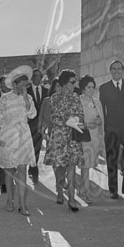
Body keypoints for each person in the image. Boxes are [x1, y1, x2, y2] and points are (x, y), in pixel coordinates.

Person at [0, 66, 36, 216]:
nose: (23, 88)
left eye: (25, 85)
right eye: (21, 85)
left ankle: (22, 204)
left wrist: (26, 98)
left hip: (23, 136)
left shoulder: (28, 98)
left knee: (22, 169)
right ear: (14, 84)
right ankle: (10, 200)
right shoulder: (5, 98)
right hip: (8, 135)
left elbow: (32, 115)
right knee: (9, 170)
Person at [44, 69, 84, 212]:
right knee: (59, 168)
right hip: (59, 136)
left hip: (72, 136)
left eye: (75, 81)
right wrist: (69, 120)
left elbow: (80, 115)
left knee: (72, 167)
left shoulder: (76, 97)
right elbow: (55, 117)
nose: (75, 84)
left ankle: (72, 199)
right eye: (72, 82)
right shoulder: (55, 98)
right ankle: (60, 189)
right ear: (64, 83)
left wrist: (75, 120)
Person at [99, 60, 124, 201]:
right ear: (110, 71)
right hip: (111, 129)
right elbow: (102, 108)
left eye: (119, 68)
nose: (116, 71)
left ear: (122, 70)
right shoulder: (104, 88)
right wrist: (104, 127)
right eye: (114, 69)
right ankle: (113, 190)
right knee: (112, 160)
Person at [78, 74, 106, 204]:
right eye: (88, 87)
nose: (91, 90)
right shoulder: (78, 102)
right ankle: (86, 192)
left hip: (94, 138)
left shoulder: (97, 102)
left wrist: (99, 123)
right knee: (85, 165)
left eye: (93, 87)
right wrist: (88, 125)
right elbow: (75, 122)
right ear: (83, 88)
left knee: (88, 166)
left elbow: (102, 120)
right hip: (83, 137)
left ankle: (81, 188)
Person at [27, 68, 48, 184]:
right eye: (34, 76)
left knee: (37, 147)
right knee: (30, 147)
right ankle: (32, 167)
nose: (36, 78)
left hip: (42, 125)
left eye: (38, 76)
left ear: (41, 78)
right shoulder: (26, 91)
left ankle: (33, 169)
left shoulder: (46, 91)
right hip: (29, 124)